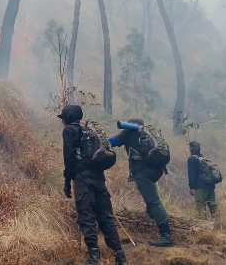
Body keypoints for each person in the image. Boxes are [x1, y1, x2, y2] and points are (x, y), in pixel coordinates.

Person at [59, 105, 128, 265]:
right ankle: (120, 255)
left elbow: (68, 158)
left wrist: (67, 182)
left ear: (66, 119)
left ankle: (94, 257)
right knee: (105, 216)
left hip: (83, 179)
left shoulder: (69, 130)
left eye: (62, 118)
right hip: (98, 177)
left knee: (86, 214)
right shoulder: (88, 128)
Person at [108, 118, 174, 247]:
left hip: (142, 172)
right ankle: (151, 214)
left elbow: (112, 142)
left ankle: (166, 236)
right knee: (151, 199)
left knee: (153, 201)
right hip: (157, 170)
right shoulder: (148, 134)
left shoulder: (128, 132)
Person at [187, 141, 218, 218]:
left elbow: (192, 174)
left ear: (191, 148)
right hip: (210, 186)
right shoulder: (203, 158)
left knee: (201, 208)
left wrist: (192, 187)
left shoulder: (192, 159)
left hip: (200, 187)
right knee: (213, 207)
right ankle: (218, 224)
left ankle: (203, 226)